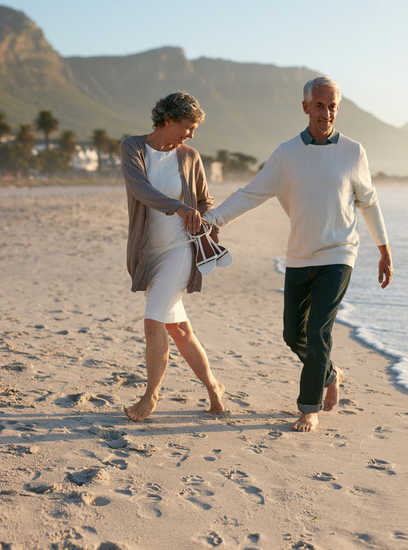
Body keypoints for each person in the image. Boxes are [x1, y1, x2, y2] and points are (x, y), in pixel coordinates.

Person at [206, 76, 393, 432]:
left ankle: (309, 407)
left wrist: (384, 250)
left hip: (339, 255)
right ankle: (330, 373)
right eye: (319, 105)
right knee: (294, 334)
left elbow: (368, 202)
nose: (326, 113)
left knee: (319, 330)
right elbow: (250, 193)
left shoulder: (353, 152)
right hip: (299, 256)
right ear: (306, 106)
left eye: (332, 106)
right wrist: (213, 219)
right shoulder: (286, 154)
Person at [120, 91, 226, 422]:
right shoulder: (133, 147)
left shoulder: (190, 156)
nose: (191, 134)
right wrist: (180, 207)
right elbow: (140, 189)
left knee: (154, 322)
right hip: (148, 252)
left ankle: (150, 396)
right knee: (178, 328)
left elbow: (205, 200)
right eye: (187, 126)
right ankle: (213, 387)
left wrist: (205, 218)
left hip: (180, 249)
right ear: (167, 120)